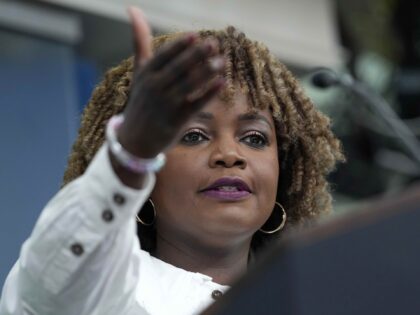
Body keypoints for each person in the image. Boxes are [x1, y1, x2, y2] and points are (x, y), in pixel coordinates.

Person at [0, 7, 344, 315]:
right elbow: (46, 293)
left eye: (254, 138)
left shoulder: (317, 302)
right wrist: (129, 154)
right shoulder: (102, 290)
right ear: (147, 173)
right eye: (194, 135)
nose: (229, 155)